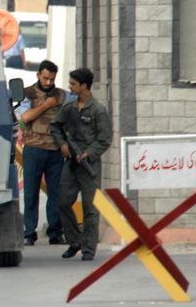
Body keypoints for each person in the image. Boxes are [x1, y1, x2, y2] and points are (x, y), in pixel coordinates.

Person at [49, 68, 112, 261]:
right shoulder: (69, 108)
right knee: (62, 201)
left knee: (90, 208)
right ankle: (74, 240)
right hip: (71, 163)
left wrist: (88, 153)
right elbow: (55, 126)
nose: (70, 87)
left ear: (84, 86)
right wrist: (63, 145)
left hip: (88, 166)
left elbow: (104, 139)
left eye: (73, 84)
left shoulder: (98, 110)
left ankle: (88, 249)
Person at [19, 60, 71, 246]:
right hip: (33, 149)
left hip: (55, 151)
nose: (49, 82)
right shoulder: (28, 94)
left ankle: (55, 232)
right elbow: (25, 118)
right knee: (31, 193)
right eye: (45, 78)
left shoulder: (63, 95)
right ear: (38, 75)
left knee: (56, 193)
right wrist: (47, 105)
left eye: (52, 79)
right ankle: (29, 232)